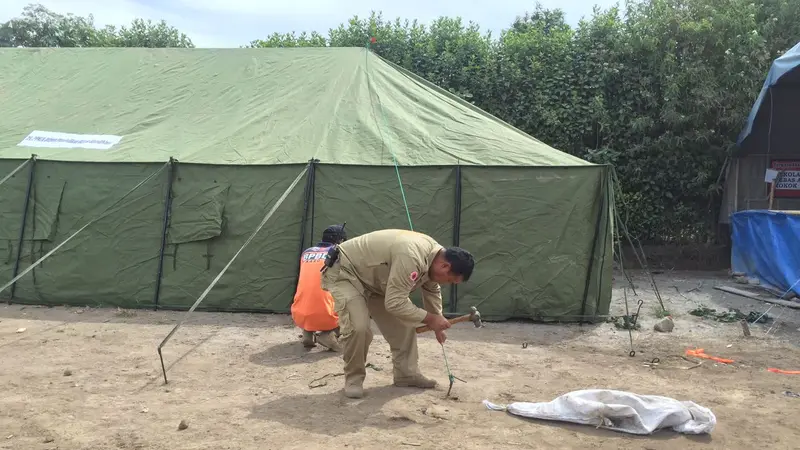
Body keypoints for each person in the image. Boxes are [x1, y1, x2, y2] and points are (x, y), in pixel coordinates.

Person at [320, 229, 474, 399]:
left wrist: (437, 321)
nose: (447, 284)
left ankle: (406, 374)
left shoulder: (435, 257)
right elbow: (394, 303)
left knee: (405, 323)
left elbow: (431, 288)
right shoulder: (412, 257)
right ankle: (354, 380)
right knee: (359, 328)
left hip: (377, 281)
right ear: (445, 266)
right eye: (450, 280)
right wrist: (431, 318)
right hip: (347, 273)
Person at [291, 224, 347, 352]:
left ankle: (308, 333)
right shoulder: (339, 254)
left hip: (298, 314)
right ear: (340, 241)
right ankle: (327, 334)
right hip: (325, 315)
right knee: (353, 304)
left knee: (311, 293)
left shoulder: (306, 253)